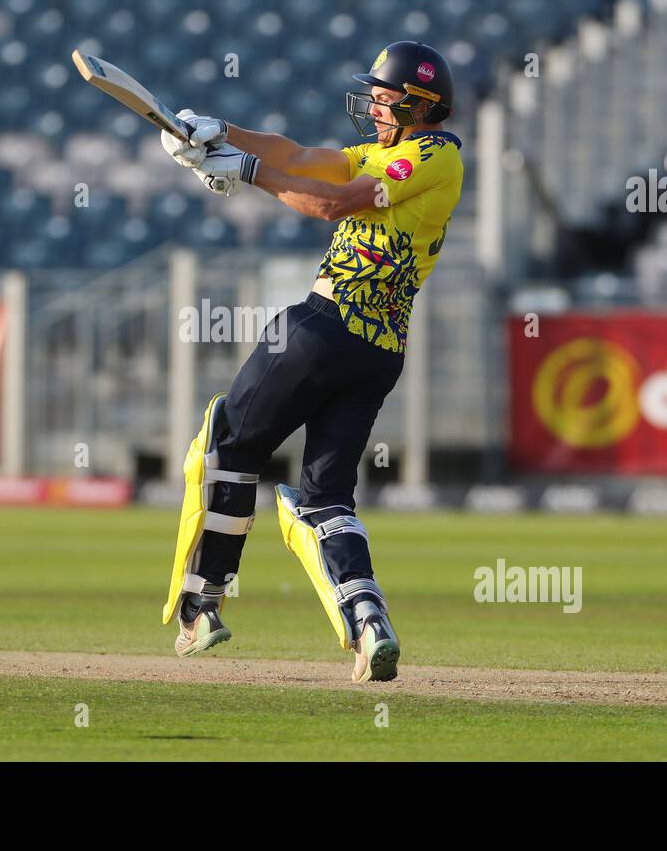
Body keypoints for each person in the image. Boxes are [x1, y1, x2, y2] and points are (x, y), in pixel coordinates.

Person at [159, 41, 464, 682]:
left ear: (419, 106)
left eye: (385, 100)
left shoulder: (432, 156)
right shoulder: (390, 151)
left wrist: (244, 172)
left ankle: (202, 605)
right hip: (378, 353)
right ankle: (368, 624)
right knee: (325, 498)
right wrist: (217, 132)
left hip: (321, 327)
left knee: (225, 442)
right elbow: (297, 156)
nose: (374, 109)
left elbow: (332, 202)